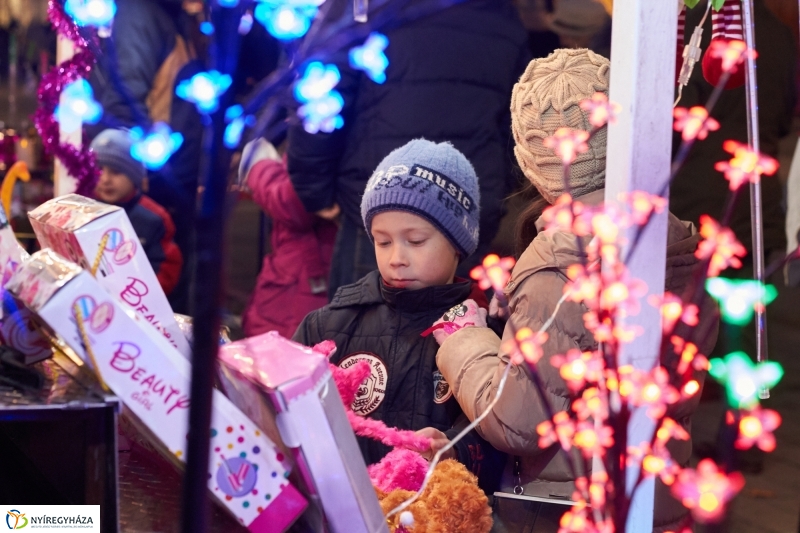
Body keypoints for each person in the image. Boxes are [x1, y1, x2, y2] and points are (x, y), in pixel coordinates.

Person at [431, 49, 718, 532]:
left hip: (568, 508)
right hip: (658, 498)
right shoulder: (674, 236)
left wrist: (466, 342)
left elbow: (518, 421)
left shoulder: (560, 264)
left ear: (531, 160)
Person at [293, 139, 505, 493]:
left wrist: (453, 449)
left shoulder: (483, 334)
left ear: (457, 244)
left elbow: (499, 436)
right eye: (383, 241)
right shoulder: (328, 325)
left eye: (416, 240)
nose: (396, 258)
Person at [288, 0, 529, 299]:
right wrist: (494, 190)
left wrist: (314, 188)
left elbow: (319, 90)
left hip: (384, 203)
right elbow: (517, 118)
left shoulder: (363, 6)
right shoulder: (498, 12)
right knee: (459, 334)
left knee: (361, 333)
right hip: (466, 204)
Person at [87, 0, 204, 313]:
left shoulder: (168, 15)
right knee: (156, 299)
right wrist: (136, 174)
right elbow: (126, 99)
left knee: (172, 288)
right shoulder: (141, 14)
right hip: (156, 183)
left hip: (170, 179)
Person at [238, 138, 337, 339]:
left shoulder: (324, 118)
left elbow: (296, 203)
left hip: (304, 283)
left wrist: (258, 168)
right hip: (311, 274)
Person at [90, 128, 183, 296]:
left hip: (138, 303)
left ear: (134, 176)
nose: (105, 179)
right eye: (99, 170)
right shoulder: (85, 210)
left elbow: (166, 266)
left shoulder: (154, 218)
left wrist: (145, 296)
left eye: (116, 172)